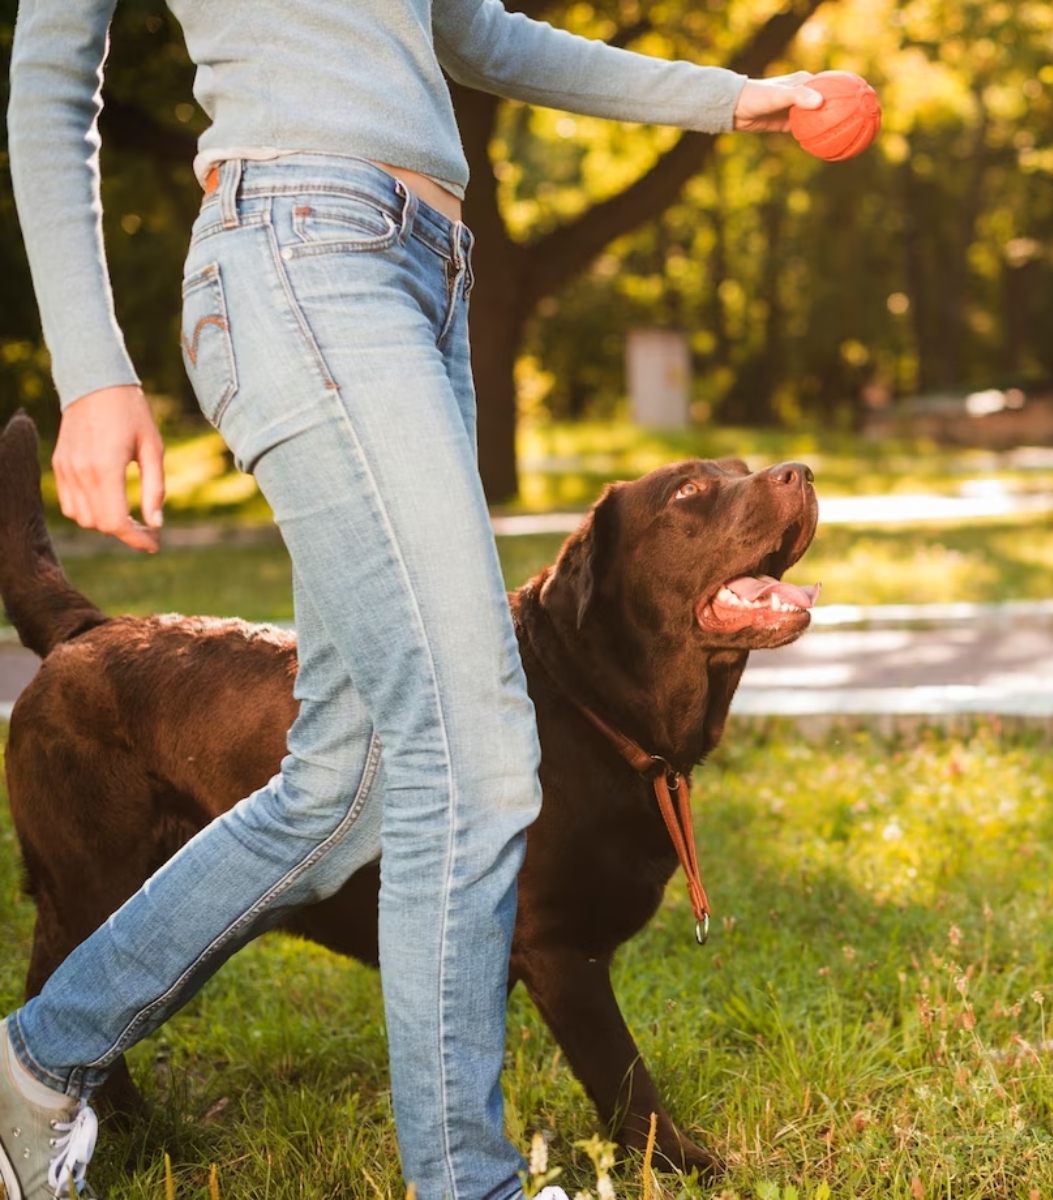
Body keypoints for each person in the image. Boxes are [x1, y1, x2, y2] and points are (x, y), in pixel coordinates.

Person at [2, 1, 823, 1196]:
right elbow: (51, 71)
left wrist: (729, 96)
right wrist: (91, 368)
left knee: (338, 781)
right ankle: (469, 1183)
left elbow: (475, 31)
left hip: (425, 269)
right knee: (478, 751)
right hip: (299, 248)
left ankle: (35, 1065)